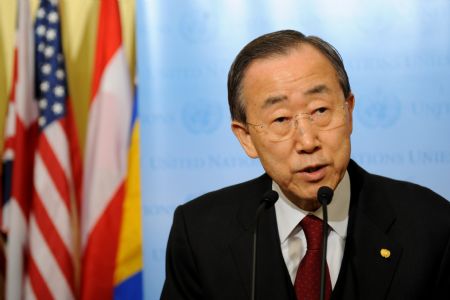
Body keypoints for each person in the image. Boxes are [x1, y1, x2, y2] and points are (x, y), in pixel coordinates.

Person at [161, 30, 450, 300]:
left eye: (320, 110)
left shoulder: (431, 224)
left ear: (348, 113)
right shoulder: (200, 233)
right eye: (281, 119)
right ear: (246, 137)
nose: (307, 141)